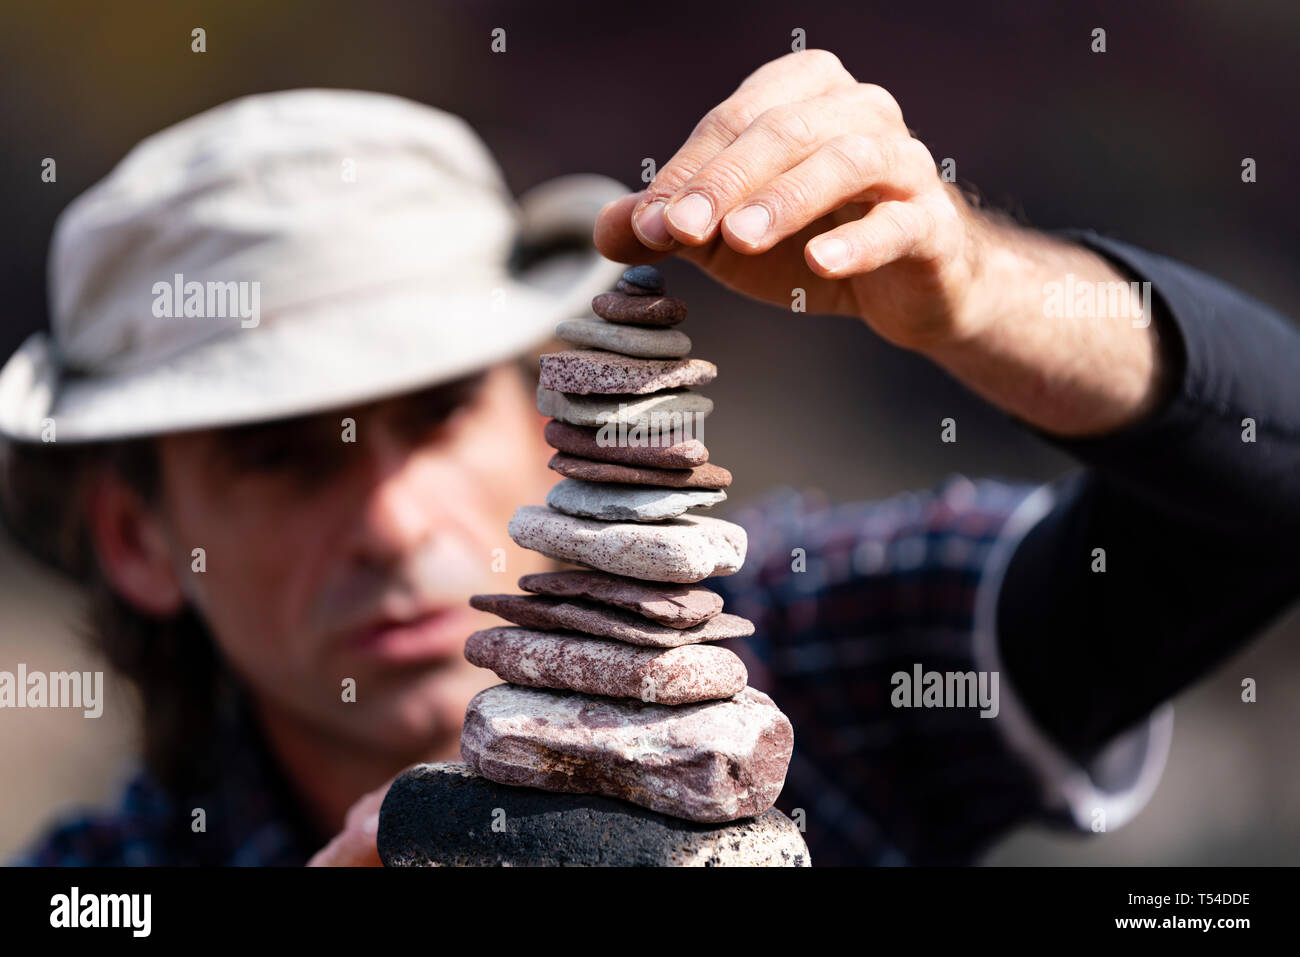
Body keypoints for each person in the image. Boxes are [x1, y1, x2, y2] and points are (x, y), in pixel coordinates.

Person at [3, 51, 1297, 867]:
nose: (395, 519)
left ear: (544, 405)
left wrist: (977, 290)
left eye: (441, 410)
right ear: (135, 536)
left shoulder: (791, 655)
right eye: (284, 459)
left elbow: (1268, 490)